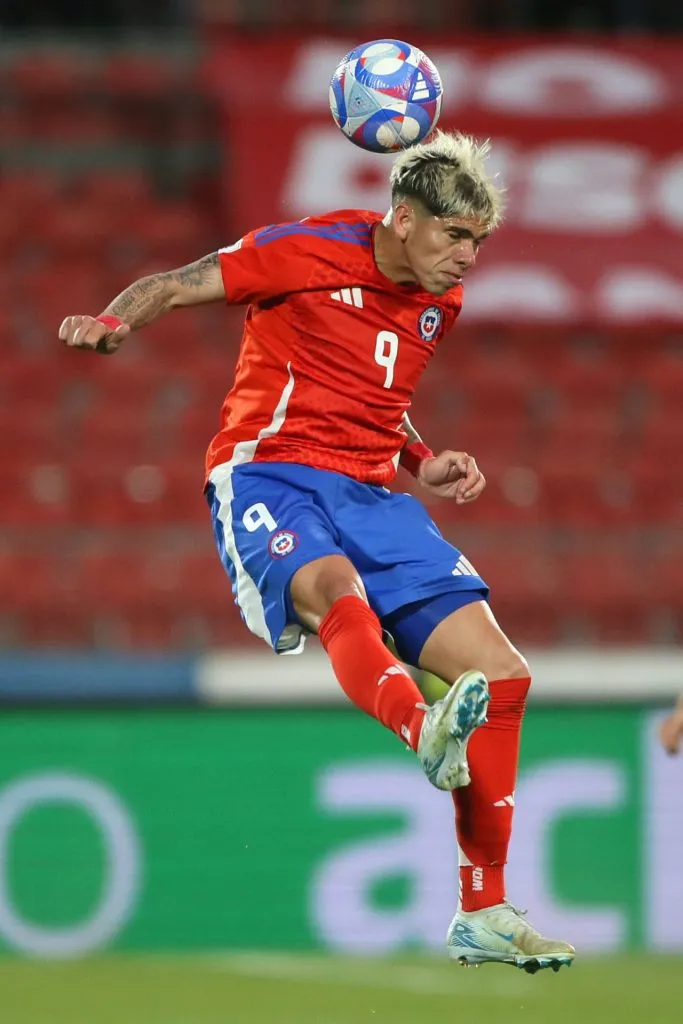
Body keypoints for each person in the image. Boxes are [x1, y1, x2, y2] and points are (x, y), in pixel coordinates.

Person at [59, 130, 574, 971]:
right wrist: (115, 319)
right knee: (332, 584)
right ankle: (422, 726)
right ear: (403, 219)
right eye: (454, 237)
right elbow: (175, 283)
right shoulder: (304, 250)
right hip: (269, 475)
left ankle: (483, 908)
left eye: (478, 242)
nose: (467, 258)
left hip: (371, 490)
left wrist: (422, 460)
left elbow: (372, 393)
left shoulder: (440, 305)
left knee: (504, 669)